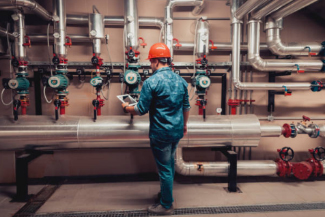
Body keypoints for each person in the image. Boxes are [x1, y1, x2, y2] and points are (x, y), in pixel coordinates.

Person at [121, 42, 190, 215]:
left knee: (165, 169)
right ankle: (166, 194)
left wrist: (126, 107)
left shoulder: (151, 82)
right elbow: (186, 107)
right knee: (170, 166)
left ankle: (166, 205)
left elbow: (141, 109)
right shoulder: (181, 81)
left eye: (151, 62)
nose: (150, 65)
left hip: (161, 134)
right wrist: (184, 126)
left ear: (156, 62)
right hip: (176, 132)